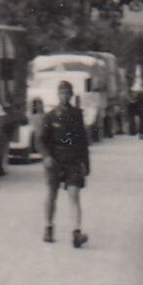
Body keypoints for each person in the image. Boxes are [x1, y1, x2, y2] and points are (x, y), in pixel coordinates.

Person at [40, 79, 90, 248]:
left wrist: (86, 164)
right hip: (55, 160)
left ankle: (76, 232)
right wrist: (46, 157)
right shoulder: (50, 116)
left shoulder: (77, 114)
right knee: (51, 194)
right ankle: (48, 227)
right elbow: (41, 140)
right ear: (58, 95)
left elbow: (83, 140)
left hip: (73, 159)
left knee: (74, 194)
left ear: (71, 95)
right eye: (62, 93)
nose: (64, 96)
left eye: (67, 93)